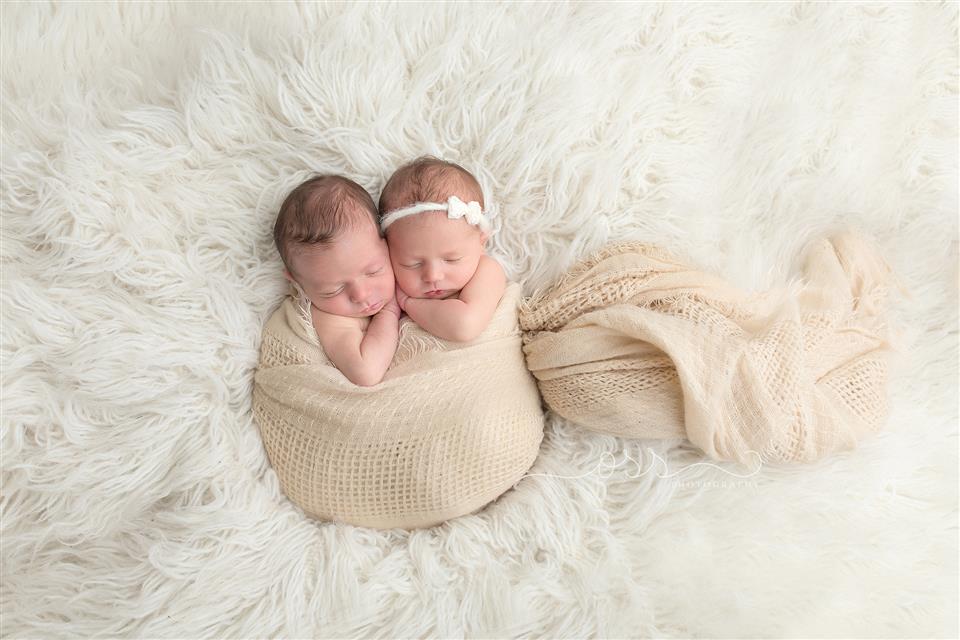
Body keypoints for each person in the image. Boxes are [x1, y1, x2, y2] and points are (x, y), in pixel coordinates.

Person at [273, 175, 400, 386]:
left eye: (373, 271)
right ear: (296, 282)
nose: (361, 295)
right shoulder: (329, 318)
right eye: (332, 290)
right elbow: (365, 372)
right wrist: (390, 311)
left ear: (388, 242)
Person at [378, 157, 506, 342]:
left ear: (481, 243)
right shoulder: (385, 283)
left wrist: (408, 303)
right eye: (412, 264)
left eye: (451, 259)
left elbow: (464, 326)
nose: (433, 276)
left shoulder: (487, 271)